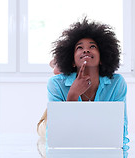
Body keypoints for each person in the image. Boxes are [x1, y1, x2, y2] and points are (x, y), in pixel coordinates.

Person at [46, 17, 129, 145]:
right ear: (73, 61)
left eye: (92, 46)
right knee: (42, 128)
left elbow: (121, 132)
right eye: (79, 47)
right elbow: (56, 135)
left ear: (102, 58)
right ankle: (57, 67)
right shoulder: (55, 84)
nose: (86, 50)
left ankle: (56, 67)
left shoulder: (116, 83)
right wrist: (72, 95)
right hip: (49, 120)